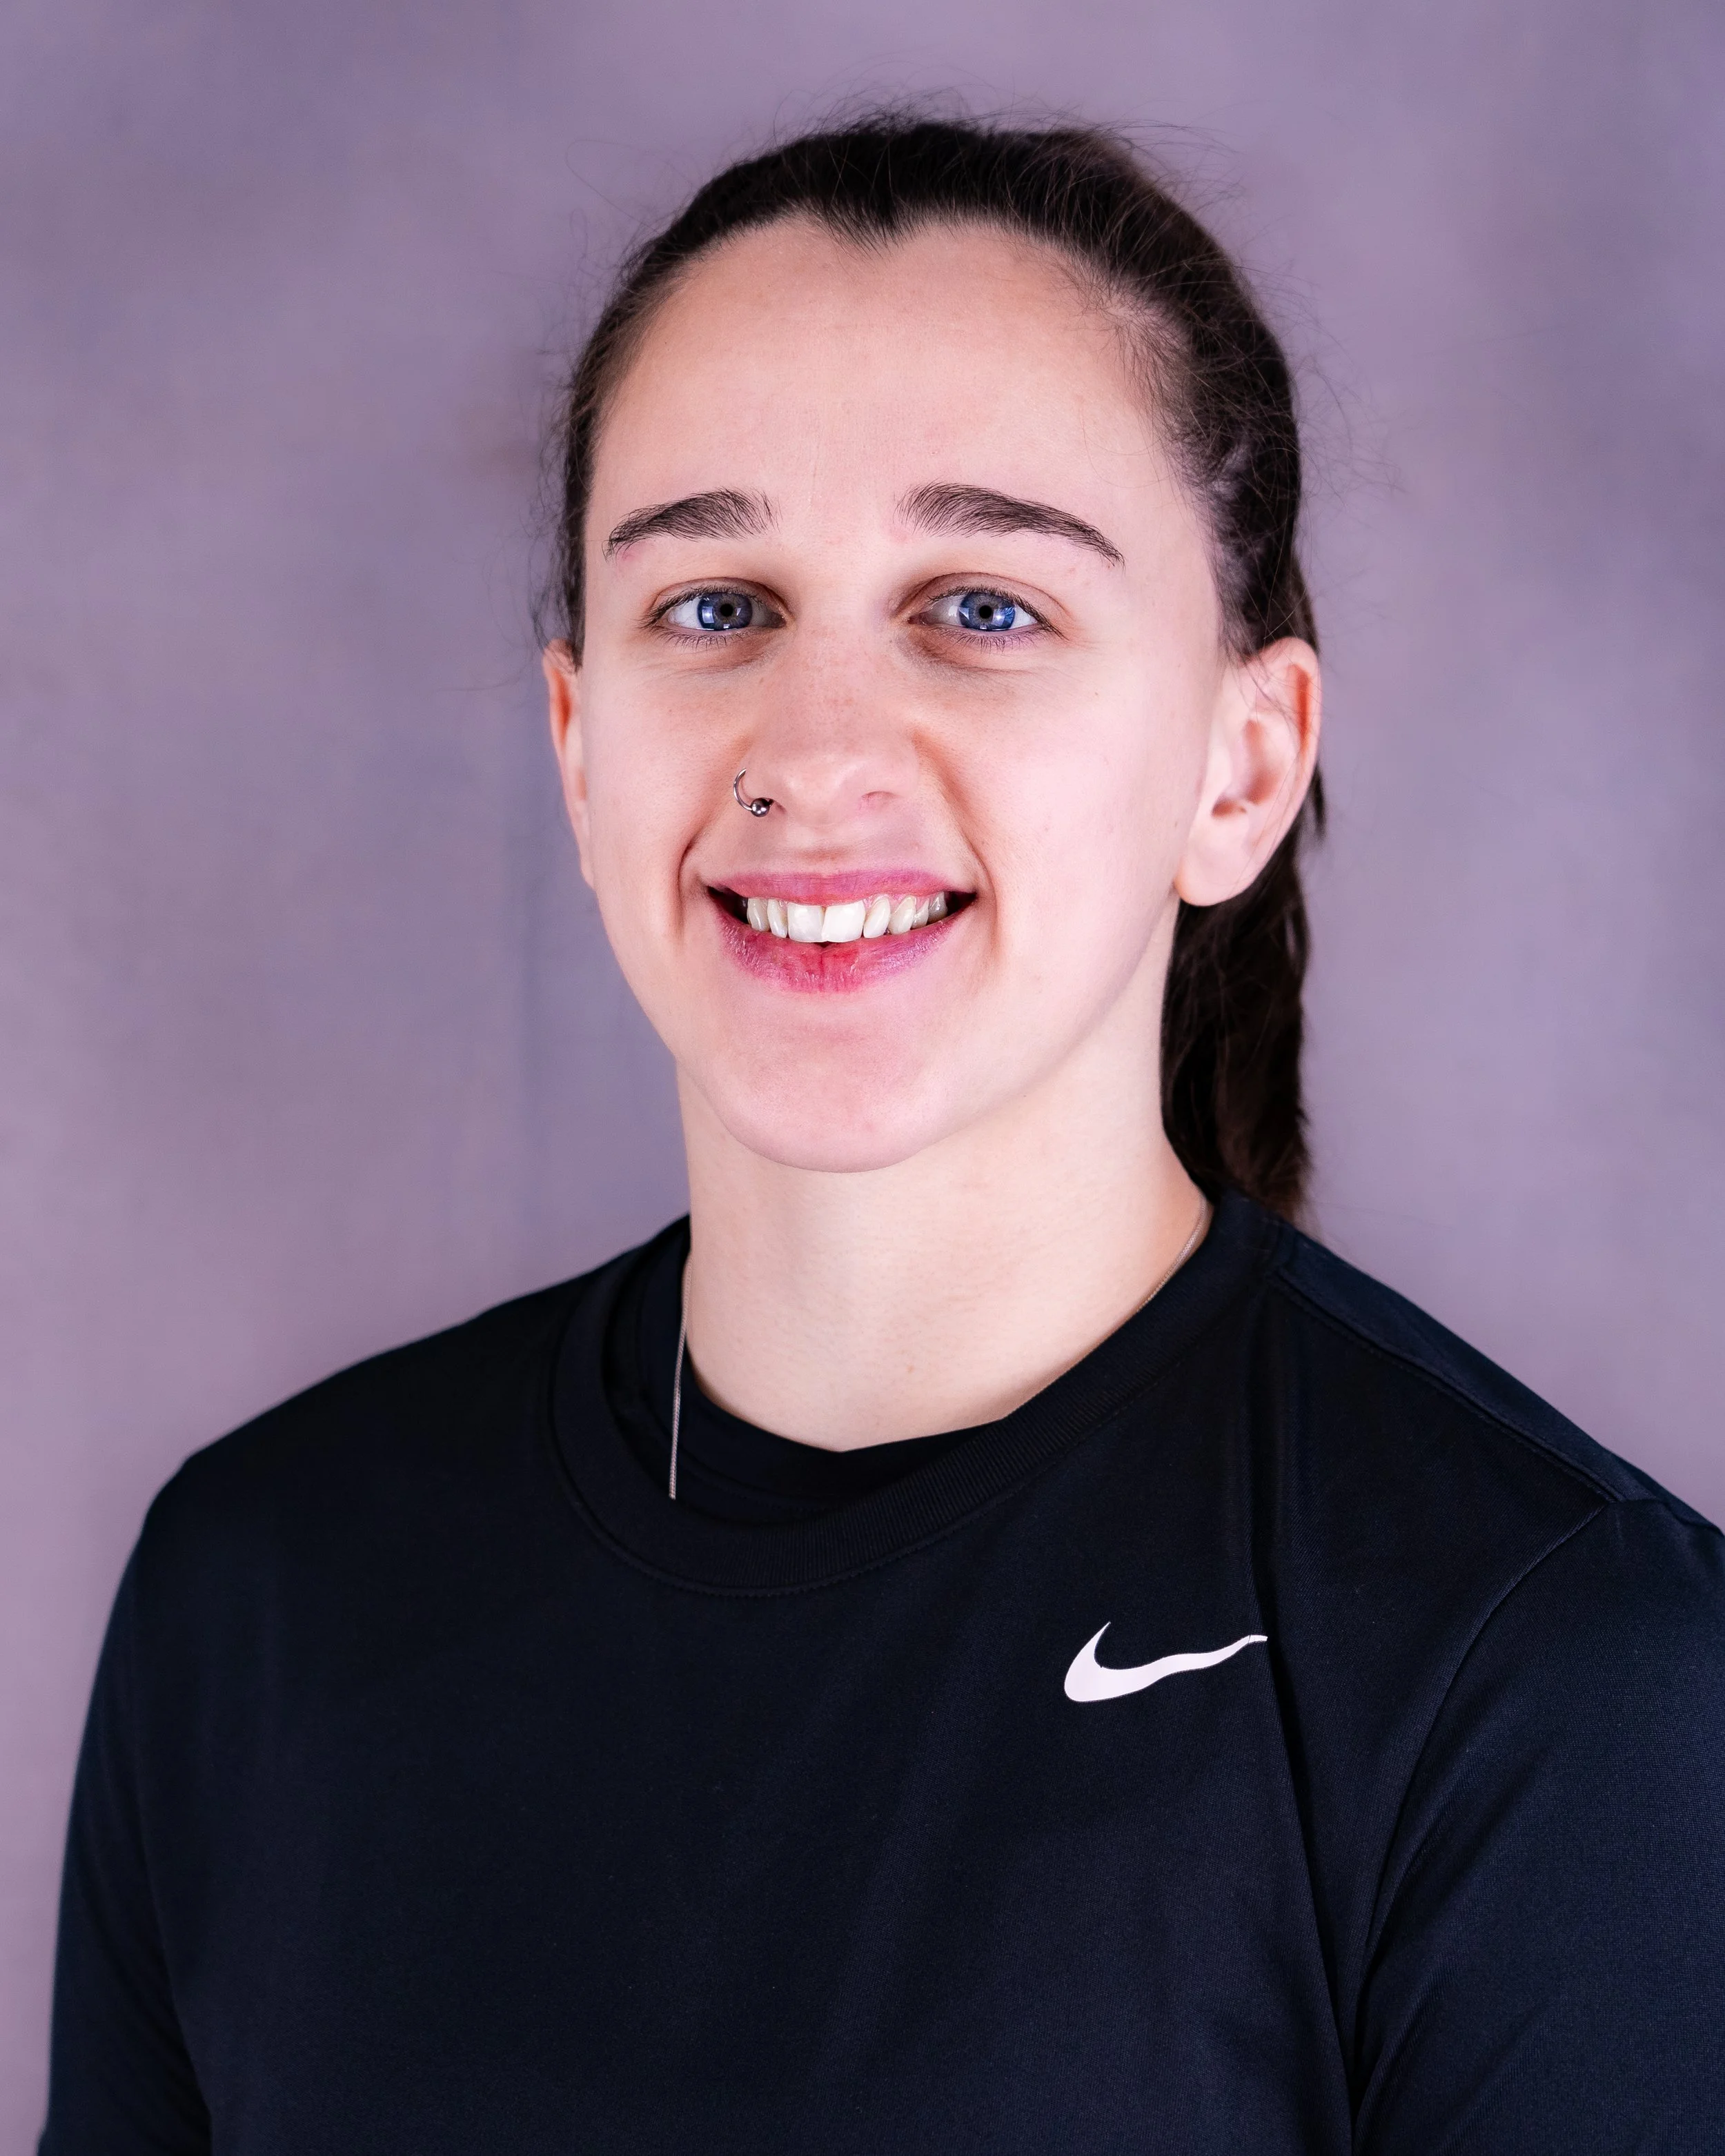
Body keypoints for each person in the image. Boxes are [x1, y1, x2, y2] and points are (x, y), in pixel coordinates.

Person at [41, 114, 1725, 2154]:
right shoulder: (257, 1595)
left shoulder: (1545, 1669)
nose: (814, 753)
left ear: (1239, 760)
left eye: (983, 606)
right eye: (715, 604)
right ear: (578, 745)